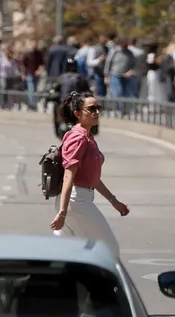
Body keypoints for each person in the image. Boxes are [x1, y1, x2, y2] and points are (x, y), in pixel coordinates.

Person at [49, 91, 129, 257]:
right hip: (76, 201)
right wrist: (62, 212)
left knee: (78, 253)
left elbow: (93, 178)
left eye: (98, 108)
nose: (97, 112)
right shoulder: (77, 138)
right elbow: (68, 176)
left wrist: (114, 201)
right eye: (91, 109)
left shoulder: (87, 136)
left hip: (78, 199)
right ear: (77, 114)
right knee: (109, 250)